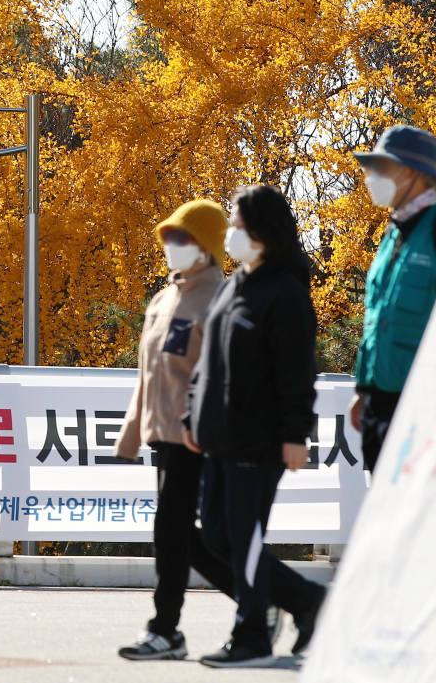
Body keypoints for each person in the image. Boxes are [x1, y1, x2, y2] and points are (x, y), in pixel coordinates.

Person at [115, 200, 284, 661]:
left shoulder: (218, 298)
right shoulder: (163, 298)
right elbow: (148, 375)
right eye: (168, 236)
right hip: (162, 435)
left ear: (206, 246)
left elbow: (219, 374)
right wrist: (131, 435)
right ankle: (272, 599)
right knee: (187, 538)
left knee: (175, 534)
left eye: (182, 237)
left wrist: (205, 426)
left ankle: (165, 629)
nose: (171, 245)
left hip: (197, 436)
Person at [184, 185, 328, 668]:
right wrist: (191, 415)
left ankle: (252, 638)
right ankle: (309, 602)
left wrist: (295, 434)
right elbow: (207, 358)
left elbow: (296, 372)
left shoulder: (286, 292)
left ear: (265, 232)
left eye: (240, 225)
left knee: (242, 538)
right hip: (218, 437)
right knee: (216, 537)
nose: (232, 233)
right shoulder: (233, 285)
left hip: (259, 439)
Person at [348, 125, 436, 471]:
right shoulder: (391, 233)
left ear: (412, 173)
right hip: (379, 406)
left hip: (425, 409)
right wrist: (363, 389)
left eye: (382, 168)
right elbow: (376, 317)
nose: (371, 177)